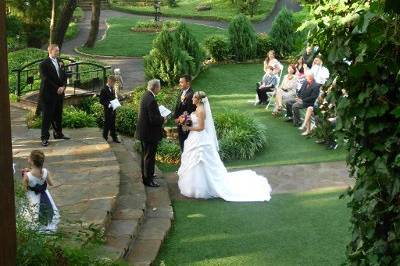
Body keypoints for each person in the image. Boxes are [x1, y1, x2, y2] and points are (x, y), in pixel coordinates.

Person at [178, 91, 272, 201]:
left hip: (199, 139)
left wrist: (188, 128)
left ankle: (202, 187)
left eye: (194, 97)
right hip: (194, 138)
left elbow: (201, 128)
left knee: (200, 160)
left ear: (199, 100)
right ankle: (193, 185)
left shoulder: (201, 110)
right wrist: (186, 120)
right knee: (195, 161)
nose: (192, 99)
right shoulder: (198, 109)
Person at [135, 79, 166, 187]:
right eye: (159, 86)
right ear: (155, 87)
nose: (160, 88)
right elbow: (153, 119)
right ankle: (148, 180)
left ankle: (147, 175)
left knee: (145, 155)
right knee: (149, 156)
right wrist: (163, 119)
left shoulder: (146, 95)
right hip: (149, 133)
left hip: (144, 132)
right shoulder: (151, 99)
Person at [22, 150, 60, 232]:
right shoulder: (46, 171)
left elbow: (24, 189)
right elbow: (51, 183)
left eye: (29, 157)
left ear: (32, 162)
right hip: (45, 194)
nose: (28, 158)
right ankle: (46, 225)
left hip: (32, 196)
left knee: (32, 212)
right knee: (46, 209)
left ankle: (35, 228)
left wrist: (26, 175)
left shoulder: (27, 176)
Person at [39, 44, 69, 147]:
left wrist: (63, 87)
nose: (58, 52)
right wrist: (57, 88)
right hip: (49, 94)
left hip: (60, 94)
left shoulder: (60, 61)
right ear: (50, 51)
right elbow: (46, 79)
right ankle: (44, 137)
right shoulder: (44, 64)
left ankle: (58, 133)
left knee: (58, 115)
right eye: (56, 51)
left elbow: (64, 75)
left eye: (58, 51)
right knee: (47, 117)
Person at [173, 74, 196, 151]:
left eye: (182, 82)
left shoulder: (191, 95)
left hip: (185, 125)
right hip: (179, 124)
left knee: (185, 146)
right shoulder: (181, 92)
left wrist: (180, 120)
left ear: (188, 83)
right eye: (180, 82)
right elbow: (178, 107)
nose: (180, 84)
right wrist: (175, 118)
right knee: (181, 145)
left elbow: (190, 111)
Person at [100, 75, 120, 143]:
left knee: (113, 123)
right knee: (107, 123)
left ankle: (114, 136)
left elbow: (113, 98)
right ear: (109, 81)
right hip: (108, 110)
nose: (113, 84)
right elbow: (101, 100)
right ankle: (104, 137)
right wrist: (108, 104)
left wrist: (116, 101)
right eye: (113, 83)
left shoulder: (112, 89)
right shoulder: (103, 89)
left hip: (113, 109)